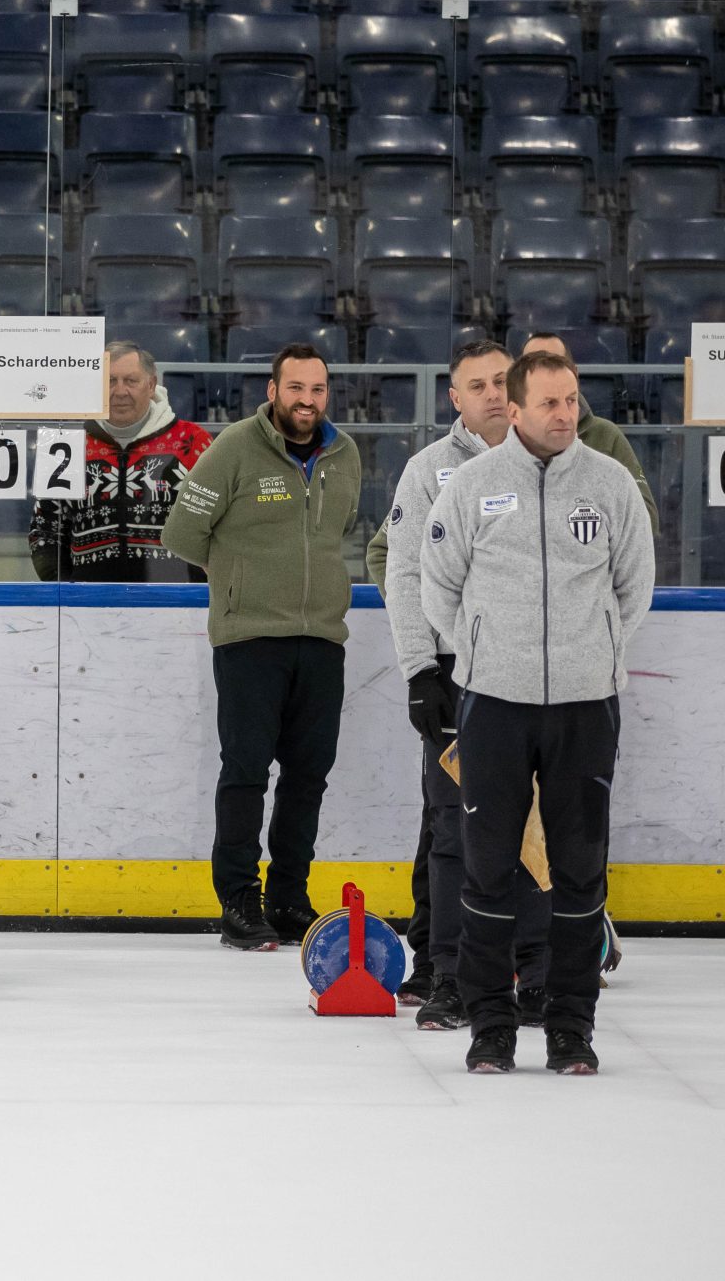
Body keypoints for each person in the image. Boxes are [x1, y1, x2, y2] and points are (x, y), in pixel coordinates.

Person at [420, 349, 654, 1074]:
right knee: (488, 871)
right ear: (515, 409)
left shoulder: (610, 484)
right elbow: (439, 586)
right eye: (550, 402)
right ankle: (491, 1025)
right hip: (494, 705)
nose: (565, 414)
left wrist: (595, 652)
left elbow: (634, 586)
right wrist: (484, 654)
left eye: (572, 399)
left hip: (585, 708)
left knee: (579, 874)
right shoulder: (473, 486)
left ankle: (570, 1026)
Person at [370, 339, 549, 1030]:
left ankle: (535, 973)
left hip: (539, 673)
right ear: (455, 398)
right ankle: (448, 974)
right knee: (454, 828)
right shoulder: (428, 471)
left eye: (503, 380)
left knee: (538, 828)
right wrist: (420, 669)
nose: (494, 394)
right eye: (478, 385)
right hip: (458, 675)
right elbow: (404, 573)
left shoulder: (557, 462)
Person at [160, 343, 363, 952]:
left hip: (321, 638)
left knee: (308, 776)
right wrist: (239, 577)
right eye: (295, 388)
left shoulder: (345, 454)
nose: (307, 400)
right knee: (246, 772)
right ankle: (240, 901)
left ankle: (289, 898)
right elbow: (182, 533)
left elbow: (339, 529)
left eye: (317, 389)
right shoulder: (234, 447)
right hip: (249, 638)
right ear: (273, 391)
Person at [27, 340, 213, 581]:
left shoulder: (195, 442)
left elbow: (217, 524)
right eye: (110, 381)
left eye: (131, 381)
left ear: (151, 385)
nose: (120, 391)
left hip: (176, 599)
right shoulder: (65, 444)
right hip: (87, 601)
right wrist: (63, 590)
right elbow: (44, 530)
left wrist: (198, 589)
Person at [519, 331, 661, 535]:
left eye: (555, 365)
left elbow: (646, 519)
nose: (545, 376)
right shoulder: (504, 436)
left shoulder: (606, 436)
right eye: (532, 366)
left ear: (574, 373)